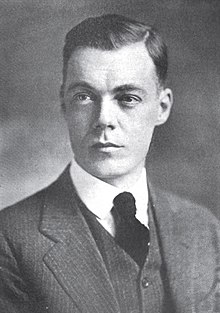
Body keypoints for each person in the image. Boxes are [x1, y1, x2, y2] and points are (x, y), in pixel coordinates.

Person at [0, 14, 220, 313]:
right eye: (84, 97)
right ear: (64, 104)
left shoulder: (202, 228)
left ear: (162, 107)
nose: (104, 118)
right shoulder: (11, 238)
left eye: (127, 98)